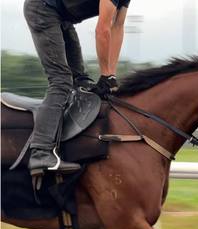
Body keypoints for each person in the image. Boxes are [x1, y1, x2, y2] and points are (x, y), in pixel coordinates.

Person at [23, 0, 130, 177]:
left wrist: (111, 75)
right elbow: (102, 30)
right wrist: (105, 75)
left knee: (82, 82)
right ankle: (40, 151)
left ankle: (71, 146)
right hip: (42, 8)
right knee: (61, 80)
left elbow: (117, 27)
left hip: (61, 17)